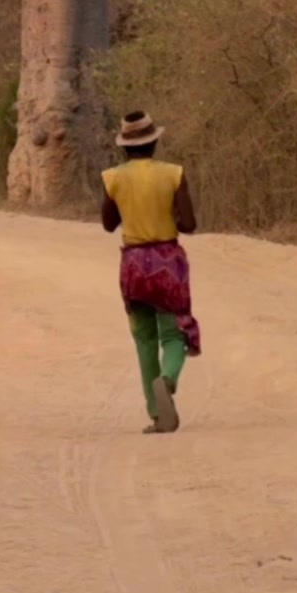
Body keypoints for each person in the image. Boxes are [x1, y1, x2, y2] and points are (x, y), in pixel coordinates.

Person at [101, 110, 201, 435]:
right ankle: (168, 378)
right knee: (173, 335)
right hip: (167, 262)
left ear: (124, 147)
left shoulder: (113, 177)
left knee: (144, 339)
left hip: (132, 265)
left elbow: (108, 224)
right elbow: (189, 225)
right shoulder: (173, 174)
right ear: (155, 142)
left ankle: (158, 415)